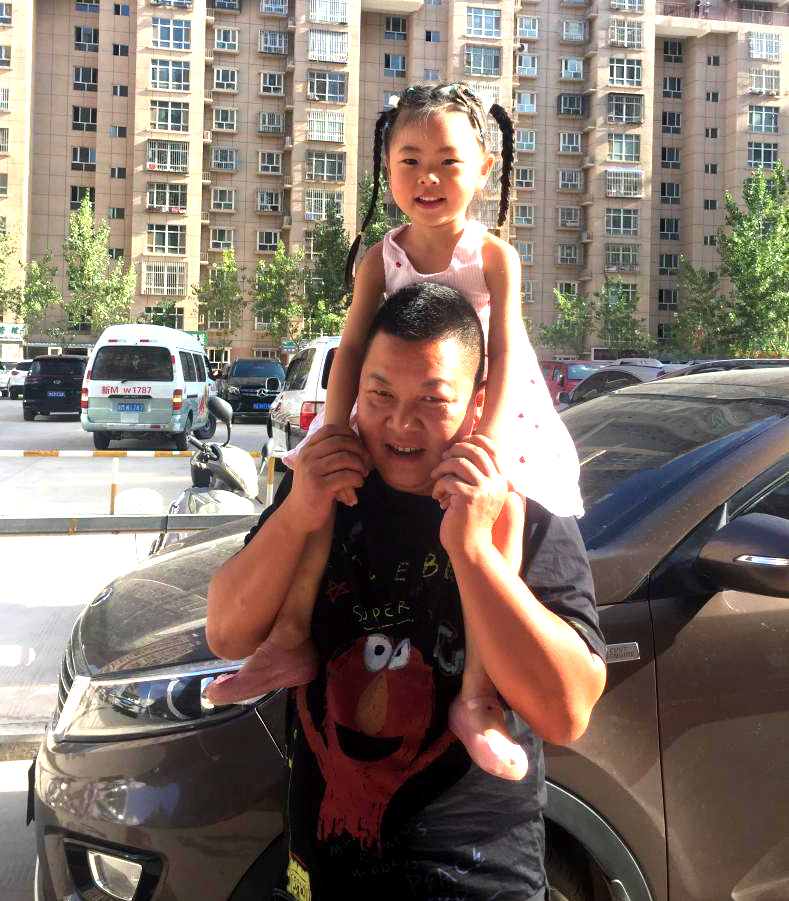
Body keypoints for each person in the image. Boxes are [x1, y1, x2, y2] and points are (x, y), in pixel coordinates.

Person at [207, 82, 584, 781]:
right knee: (324, 489)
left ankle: (478, 697)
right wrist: (335, 428)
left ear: (484, 169)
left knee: (498, 513)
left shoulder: (494, 256)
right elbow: (352, 347)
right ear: (385, 167)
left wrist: (488, 441)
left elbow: (506, 351)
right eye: (410, 161)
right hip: (412, 397)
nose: (427, 178)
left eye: (447, 161)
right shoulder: (381, 256)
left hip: (489, 411)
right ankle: (289, 636)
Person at [206, 283, 607, 901]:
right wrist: (297, 512)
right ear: (353, 389)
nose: (400, 422)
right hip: (324, 872)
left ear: (477, 404)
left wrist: (473, 550)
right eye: (380, 395)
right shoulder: (326, 481)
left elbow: (566, 711)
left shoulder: (521, 505)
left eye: (431, 400)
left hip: (476, 881)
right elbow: (227, 632)